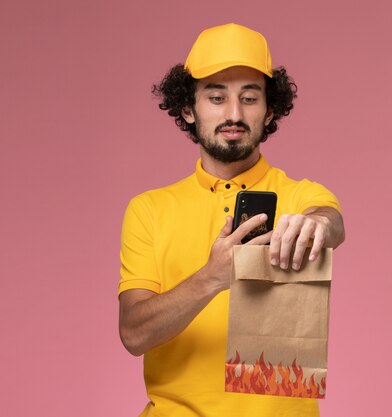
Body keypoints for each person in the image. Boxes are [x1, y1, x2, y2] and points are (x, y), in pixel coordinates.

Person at [118, 23, 345, 417]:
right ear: (188, 109)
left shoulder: (298, 195)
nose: (234, 114)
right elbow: (134, 334)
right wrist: (213, 277)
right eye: (217, 97)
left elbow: (330, 220)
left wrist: (318, 226)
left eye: (250, 98)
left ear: (269, 109)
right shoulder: (149, 209)